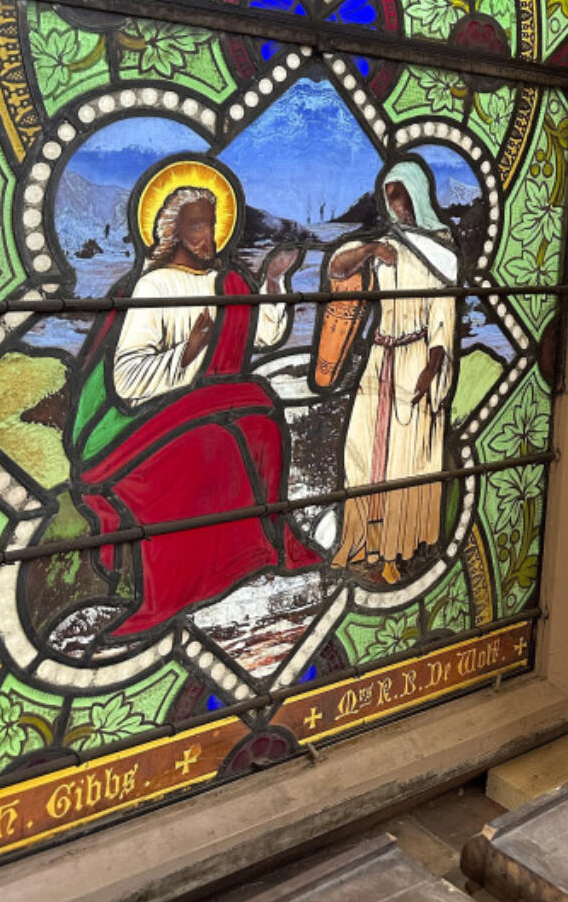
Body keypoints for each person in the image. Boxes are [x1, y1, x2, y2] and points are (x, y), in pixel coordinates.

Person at [71, 160, 321, 637]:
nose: (209, 235)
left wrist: (272, 280)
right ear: (174, 231)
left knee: (261, 422)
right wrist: (187, 352)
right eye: (197, 224)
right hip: (149, 422)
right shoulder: (152, 286)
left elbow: (263, 337)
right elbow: (127, 381)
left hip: (216, 404)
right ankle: (182, 588)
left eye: (213, 223)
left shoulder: (228, 282)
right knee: (216, 441)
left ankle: (261, 554)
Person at [319, 158, 457, 582]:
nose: (394, 205)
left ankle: (396, 548)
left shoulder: (440, 251)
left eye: (399, 195)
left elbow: (443, 309)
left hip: (416, 357)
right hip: (379, 358)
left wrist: (434, 364)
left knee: (405, 458)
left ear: (416, 196)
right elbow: (336, 269)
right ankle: (356, 542)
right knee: (361, 451)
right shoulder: (385, 245)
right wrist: (370, 249)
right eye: (388, 197)